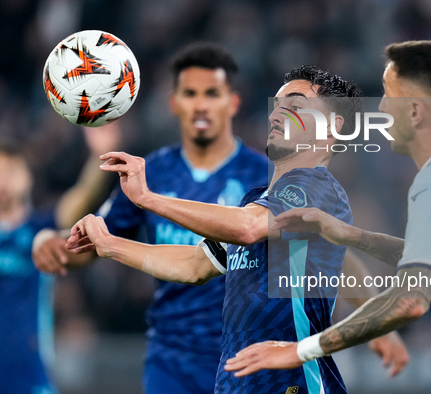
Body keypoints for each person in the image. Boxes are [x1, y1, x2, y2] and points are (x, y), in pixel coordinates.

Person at [223, 40, 431, 393]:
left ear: (416, 111)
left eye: (390, 95)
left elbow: (409, 302)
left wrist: (301, 350)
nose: (383, 108)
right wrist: (352, 237)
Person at [65, 65, 408, 393]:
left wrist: (148, 199)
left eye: (295, 105)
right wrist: (111, 245)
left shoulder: (317, 189)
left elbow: (248, 228)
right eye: (277, 105)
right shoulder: (257, 200)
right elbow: (194, 266)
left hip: (292, 383)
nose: (275, 114)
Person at [34, 42, 271, 394]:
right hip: (172, 358)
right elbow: (93, 244)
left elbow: (311, 252)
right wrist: (51, 243)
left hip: (248, 355)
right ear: (173, 103)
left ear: (232, 102)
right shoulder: (151, 171)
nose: (201, 104)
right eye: (190, 93)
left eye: (212, 93)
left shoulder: (263, 175)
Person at [0, 128, 116, 394]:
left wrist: (100, 158)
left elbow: (80, 198)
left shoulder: (41, 229)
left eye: (10, 170)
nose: (2, 180)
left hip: (28, 369)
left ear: (28, 178)